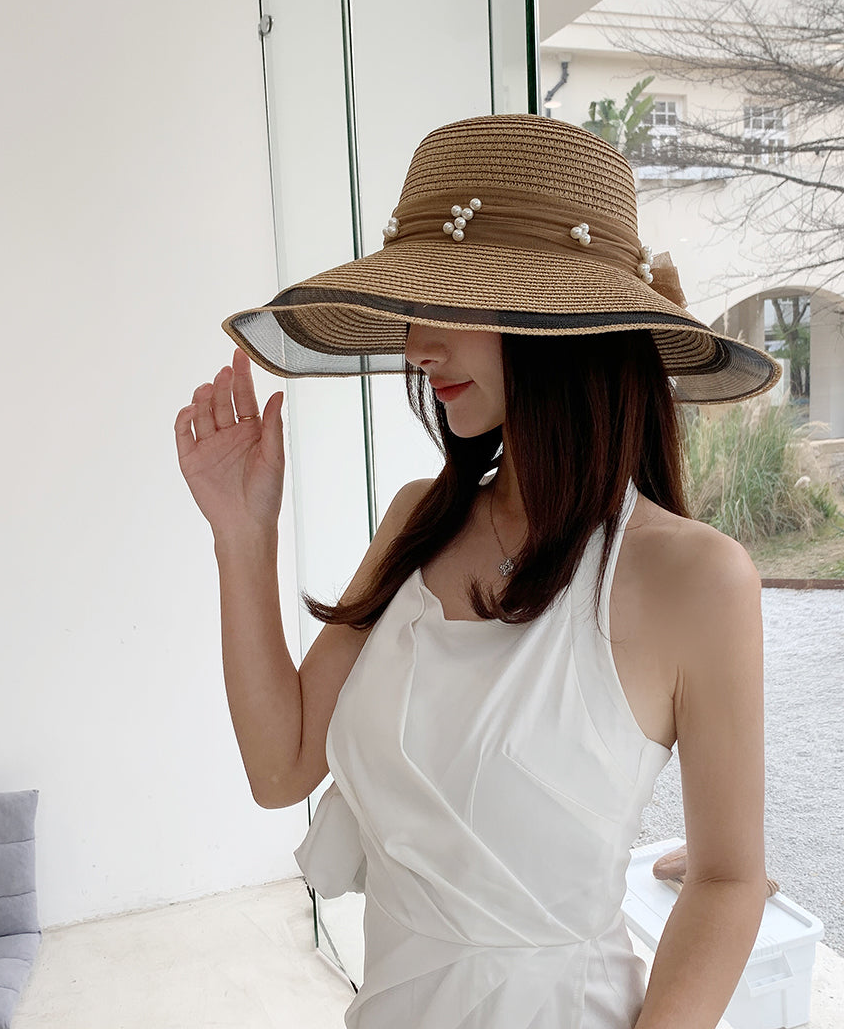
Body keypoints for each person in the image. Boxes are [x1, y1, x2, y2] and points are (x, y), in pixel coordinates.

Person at [175, 114, 780, 1029]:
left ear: (562, 322)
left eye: (444, 303)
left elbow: (730, 879)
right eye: (414, 308)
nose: (415, 346)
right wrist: (241, 533)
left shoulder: (695, 578)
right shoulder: (422, 517)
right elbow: (280, 767)